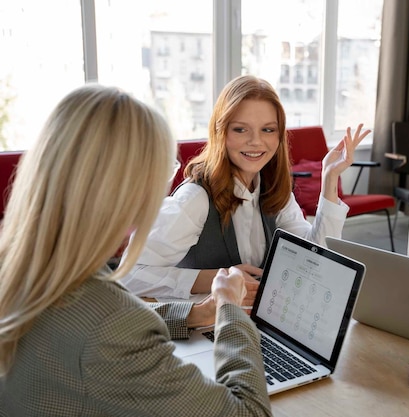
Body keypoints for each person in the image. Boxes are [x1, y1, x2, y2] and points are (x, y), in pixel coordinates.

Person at [0, 84, 272, 416]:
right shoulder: (111, 325)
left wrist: (193, 314)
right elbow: (250, 413)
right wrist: (230, 313)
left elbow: (93, 321)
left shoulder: (20, 268)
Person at [121, 74, 370, 300]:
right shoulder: (195, 198)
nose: (256, 141)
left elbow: (317, 261)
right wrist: (219, 278)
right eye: (240, 129)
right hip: (206, 333)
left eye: (268, 130)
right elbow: (129, 276)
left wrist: (329, 180)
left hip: (259, 322)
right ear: (221, 132)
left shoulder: (274, 190)